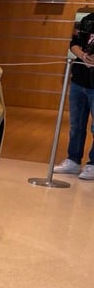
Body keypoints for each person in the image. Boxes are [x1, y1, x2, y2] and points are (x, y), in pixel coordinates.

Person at [54, 13, 94, 179]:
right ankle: (73, 160)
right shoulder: (87, 20)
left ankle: (92, 164)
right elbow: (74, 43)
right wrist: (83, 56)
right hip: (79, 80)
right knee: (76, 125)